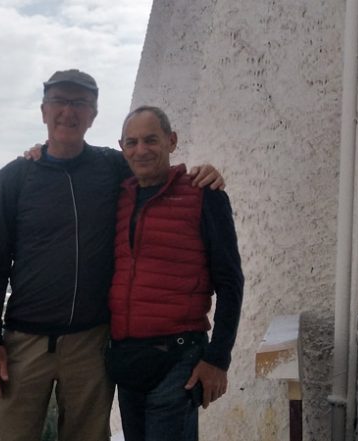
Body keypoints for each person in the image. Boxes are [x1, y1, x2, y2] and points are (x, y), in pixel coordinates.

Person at [0, 69, 224, 441]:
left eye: (80, 103)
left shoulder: (112, 167)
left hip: (91, 343)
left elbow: (156, 168)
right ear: (44, 111)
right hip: (22, 343)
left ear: (93, 115)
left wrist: (202, 173)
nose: (68, 111)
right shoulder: (14, 177)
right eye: (59, 101)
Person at [107, 105, 244, 441]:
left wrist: (218, 360)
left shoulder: (203, 194)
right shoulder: (118, 197)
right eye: (132, 142)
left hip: (178, 360)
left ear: (171, 141)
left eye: (151, 140)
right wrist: (38, 152)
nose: (141, 150)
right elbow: (75, 156)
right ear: (122, 147)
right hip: (127, 361)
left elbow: (230, 282)